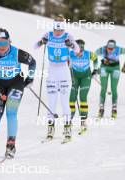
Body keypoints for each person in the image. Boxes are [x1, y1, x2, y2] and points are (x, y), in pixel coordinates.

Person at [0, 28, 36, 159]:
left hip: (16, 83)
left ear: (9, 42)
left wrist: (30, 78)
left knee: (11, 112)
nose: (1, 47)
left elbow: (32, 62)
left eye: (4, 43)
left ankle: (10, 145)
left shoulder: (17, 53)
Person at [34, 15, 80, 143]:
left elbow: (77, 50)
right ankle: (50, 129)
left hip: (64, 72)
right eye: (56, 29)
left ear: (63, 27)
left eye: (59, 29)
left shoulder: (68, 36)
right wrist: (41, 42)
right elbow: (35, 46)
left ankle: (67, 129)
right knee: (51, 102)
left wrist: (71, 44)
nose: (57, 32)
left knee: (65, 102)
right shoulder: (48, 35)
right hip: (52, 72)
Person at [69, 39, 98, 134]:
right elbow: (63, 62)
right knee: (72, 98)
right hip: (75, 77)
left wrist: (95, 70)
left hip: (86, 77)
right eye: (78, 51)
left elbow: (96, 59)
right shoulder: (70, 54)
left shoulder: (89, 54)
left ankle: (83, 120)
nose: (79, 54)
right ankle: (70, 118)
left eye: (81, 51)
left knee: (83, 97)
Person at [95, 39, 125, 118]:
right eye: (108, 48)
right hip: (104, 68)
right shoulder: (102, 49)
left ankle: (114, 109)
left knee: (114, 88)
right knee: (103, 88)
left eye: (111, 49)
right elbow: (94, 55)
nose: (110, 50)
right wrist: (96, 68)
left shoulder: (119, 49)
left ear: (114, 47)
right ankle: (101, 109)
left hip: (115, 68)